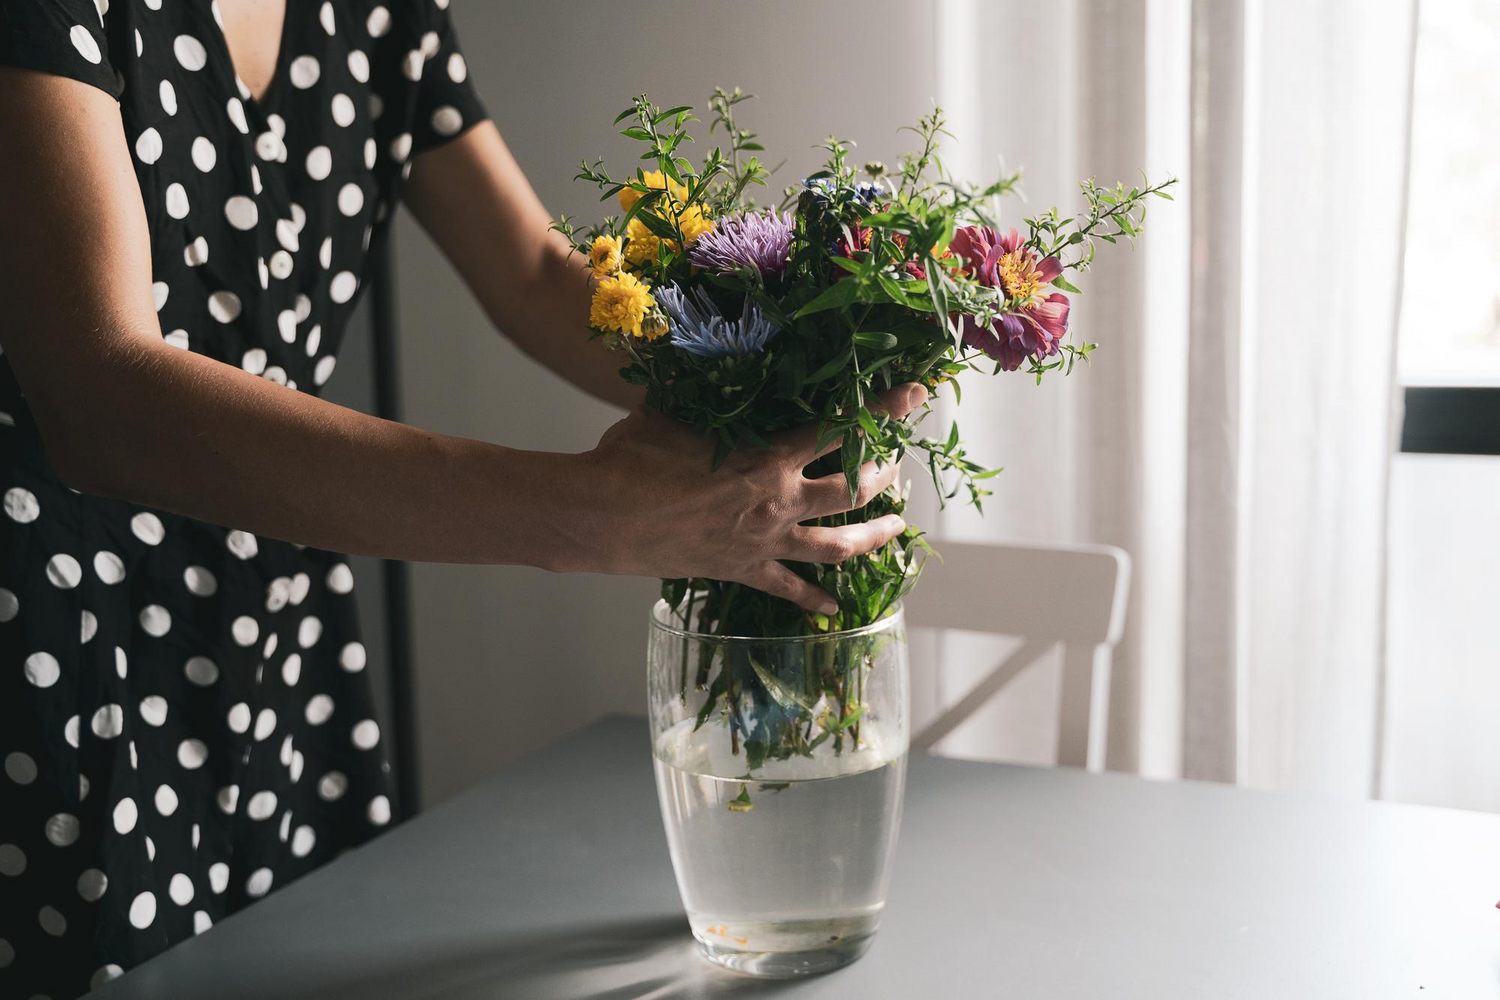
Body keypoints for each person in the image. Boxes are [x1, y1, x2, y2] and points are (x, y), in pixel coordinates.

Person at [0, 1, 924, 995]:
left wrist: (793, 387)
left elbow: (532, 271)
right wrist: (591, 514)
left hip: (273, 620)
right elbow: (102, 392)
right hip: (61, 638)